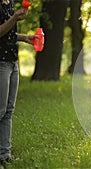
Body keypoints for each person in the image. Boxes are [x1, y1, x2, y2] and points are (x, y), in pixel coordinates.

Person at [0, 0, 35, 166]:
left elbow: (7, 34)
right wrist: (14, 18)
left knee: (8, 111)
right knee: (0, 110)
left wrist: (24, 38)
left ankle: (4, 155)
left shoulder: (10, 2)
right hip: (1, 62)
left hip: (13, 62)